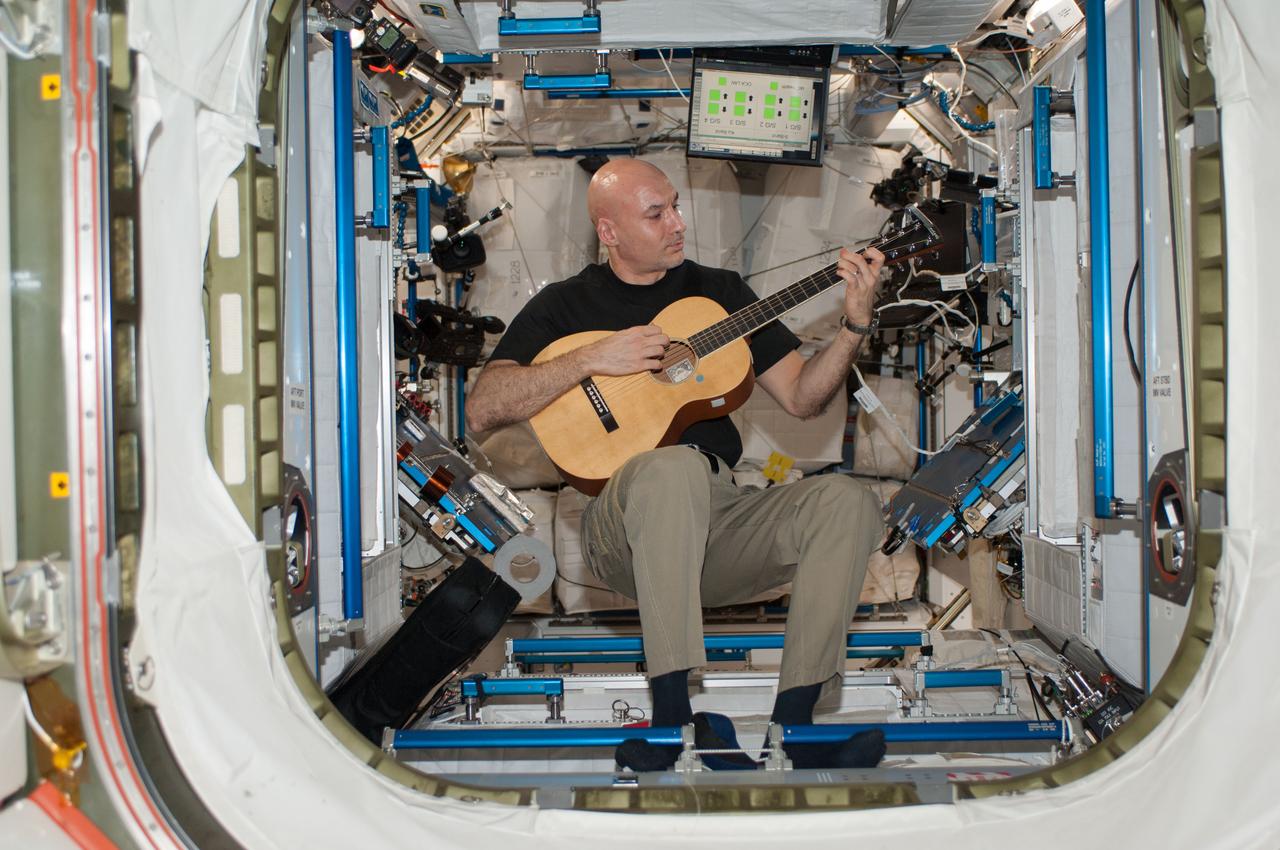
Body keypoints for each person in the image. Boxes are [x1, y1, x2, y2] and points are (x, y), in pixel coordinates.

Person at [466, 159, 887, 771]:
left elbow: (803, 397)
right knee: (672, 467)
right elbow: (482, 407)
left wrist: (854, 324)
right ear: (609, 232)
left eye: (676, 206)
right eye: (656, 214)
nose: (677, 223)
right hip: (624, 527)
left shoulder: (721, 294)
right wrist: (590, 358)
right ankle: (672, 722)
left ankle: (794, 727)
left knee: (846, 499)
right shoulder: (564, 305)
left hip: (720, 519)